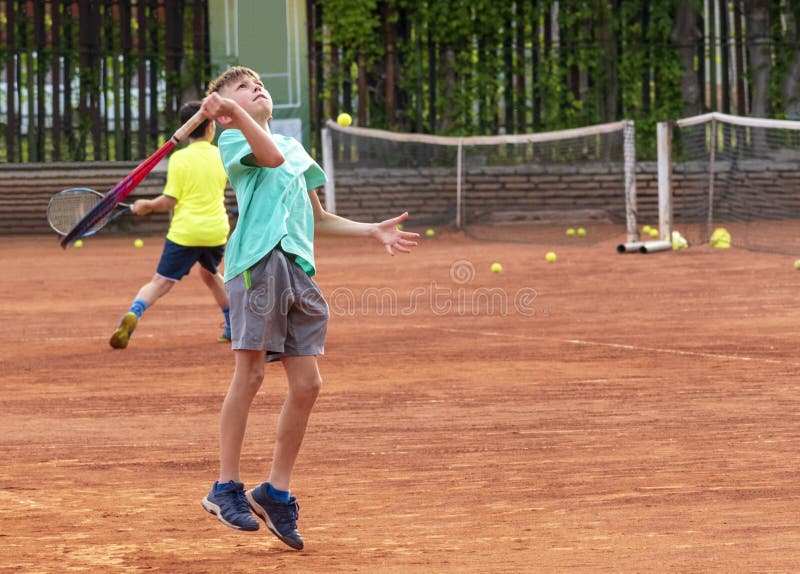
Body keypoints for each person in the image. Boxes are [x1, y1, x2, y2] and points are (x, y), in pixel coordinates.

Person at [197, 66, 419, 550]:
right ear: (224, 110)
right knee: (250, 375)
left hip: (298, 269)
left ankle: (274, 491)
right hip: (257, 262)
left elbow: (317, 216)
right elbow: (270, 156)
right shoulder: (232, 141)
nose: (255, 88)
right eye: (240, 88)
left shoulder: (294, 149)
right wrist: (230, 114)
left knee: (308, 384)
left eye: (258, 84)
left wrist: (371, 230)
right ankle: (225, 486)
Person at [109, 101, 232, 350]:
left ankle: (134, 313)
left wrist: (146, 205)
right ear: (209, 128)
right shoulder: (222, 155)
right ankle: (233, 325)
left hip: (185, 233)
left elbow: (169, 201)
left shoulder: (179, 159)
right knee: (211, 273)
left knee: (161, 282)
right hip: (216, 231)